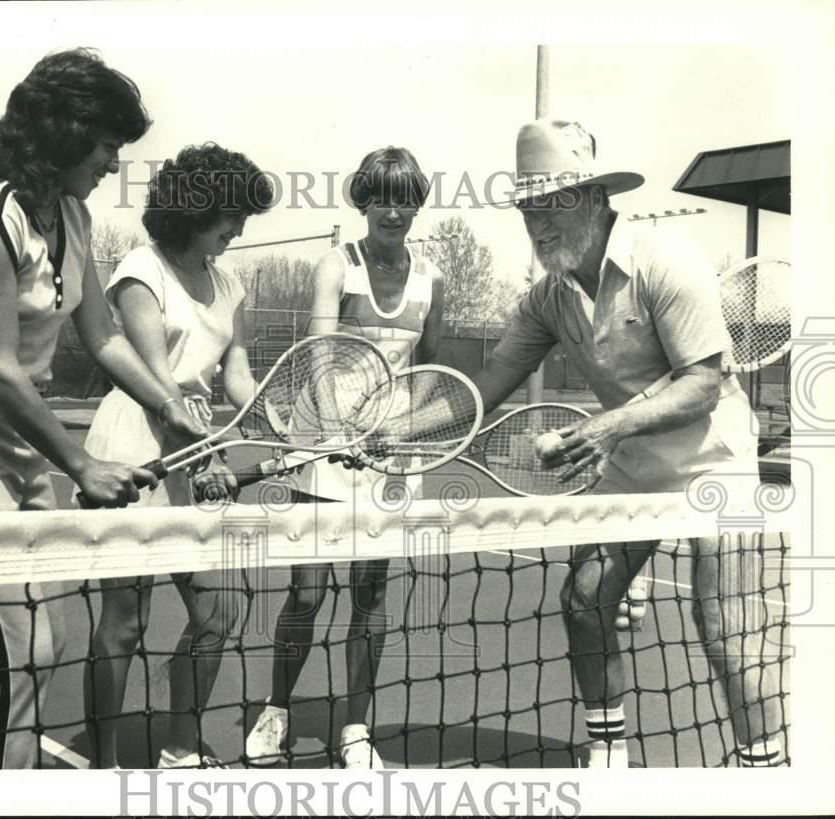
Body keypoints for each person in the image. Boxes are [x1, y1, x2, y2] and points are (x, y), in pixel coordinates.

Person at [0, 50, 211, 768]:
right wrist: (83, 463)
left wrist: (169, 407)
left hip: (17, 441)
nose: (112, 161)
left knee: (47, 639)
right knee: (16, 650)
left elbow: (101, 337)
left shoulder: (72, 214)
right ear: (66, 132)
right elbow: (0, 369)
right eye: (107, 145)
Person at [469, 119, 785, 768]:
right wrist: (390, 431)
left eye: (552, 203)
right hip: (636, 468)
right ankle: (609, 752)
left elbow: (702, 382)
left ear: (592, 198)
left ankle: (766, 761)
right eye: (529, 207)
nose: (539, 222)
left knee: (726, 628)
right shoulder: (547, 299)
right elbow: (481, 387)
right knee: (585, 598)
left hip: (716, 464)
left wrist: (605, 427)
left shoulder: (664, 261)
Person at [244, 147, 445, 769]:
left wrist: (398, 427)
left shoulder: (431, 276)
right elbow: (320, 351)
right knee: (307, 591)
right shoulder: (337, 264)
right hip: (323, 440)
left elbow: (432, 372)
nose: (395, 211)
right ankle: (277, 710)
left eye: (406, 198)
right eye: (383, 198)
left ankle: (356, 728)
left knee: (370, 592)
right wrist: (336, 431)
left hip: (387, 452)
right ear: (364, 201)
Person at [82, 143, 273, 769]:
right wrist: (206, 456)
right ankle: (103, 764)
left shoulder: (229, 282)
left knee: (218, 614)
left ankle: (181, 748)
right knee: (124, 624)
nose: (238, 231)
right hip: (133, 451)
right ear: (199, 207)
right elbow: (159, 383)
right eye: (232, 216)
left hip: (196, 454)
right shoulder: (141, 268)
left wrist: (277, 417)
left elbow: (237, 375)